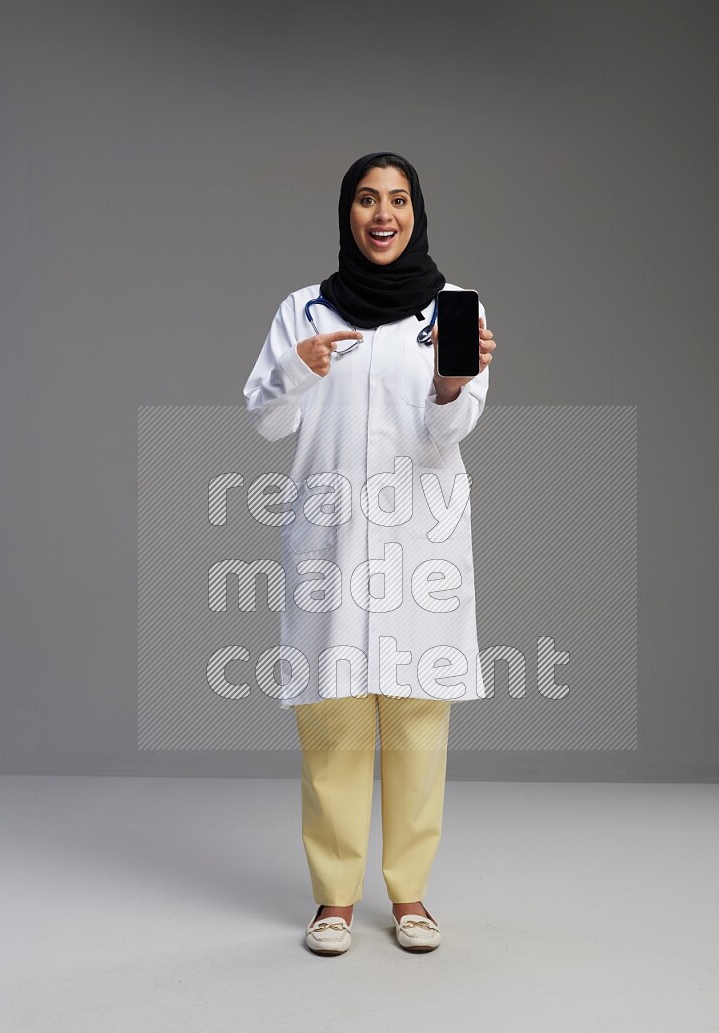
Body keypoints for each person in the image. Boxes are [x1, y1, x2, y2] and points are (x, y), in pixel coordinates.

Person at [243, 152, 496, 955]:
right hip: (331, 541)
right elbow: (265, 419)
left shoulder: (454, 306)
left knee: (419, 719)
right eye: (365, 199)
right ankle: (334, 901)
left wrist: (452, 387)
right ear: (347, 213)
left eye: (396, 200)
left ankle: (412, 897)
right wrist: (297, 368)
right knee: (333, 721)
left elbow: (450, 431)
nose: (381, 214)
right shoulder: (305, 309)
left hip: (419, 540)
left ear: (416, 212)